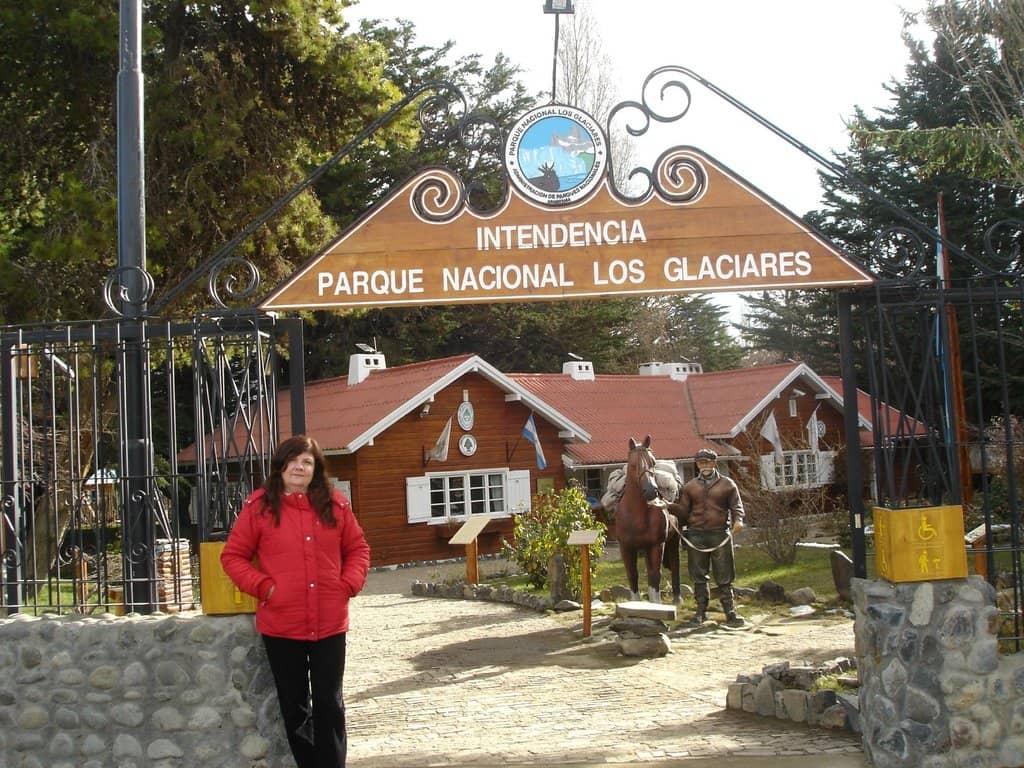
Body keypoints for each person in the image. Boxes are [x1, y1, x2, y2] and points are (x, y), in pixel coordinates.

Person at [221, 435, 370, 768]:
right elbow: (233, 557)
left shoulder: (335, 504)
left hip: (330, 622)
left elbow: (358, 549)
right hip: (282, 624)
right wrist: (265, 588)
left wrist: (348, 584)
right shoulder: (260, 506)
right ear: (281, 465)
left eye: (307, 461)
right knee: (295, 706)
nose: (299, 467)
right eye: (294, 460)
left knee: (330, 704)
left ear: (316, 469)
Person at [668, 448, 746, 627]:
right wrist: (668, 506)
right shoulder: (690, 487)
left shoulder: (727, 484)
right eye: (700, 463)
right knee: (698, 576)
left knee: (725, 575)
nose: (704, 466)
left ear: (714, 463)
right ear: (697, 465)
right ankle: (700, 612)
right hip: (696, 536)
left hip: (719, 534)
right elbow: (683, 511)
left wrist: (739, 520)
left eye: (707, 462)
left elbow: (737, 506)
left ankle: (730, 612)